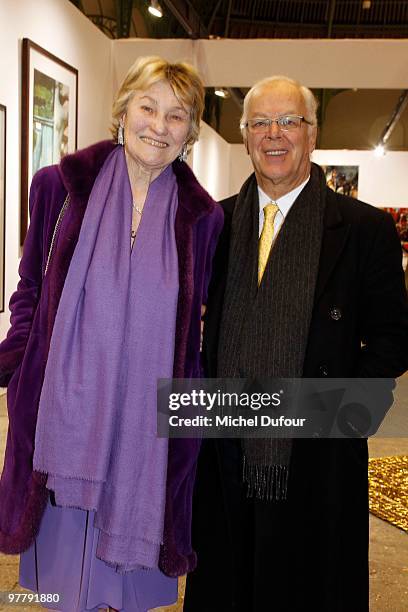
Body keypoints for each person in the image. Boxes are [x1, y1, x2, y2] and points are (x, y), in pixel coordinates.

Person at [0, 56, 223, 611]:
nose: (158, 125)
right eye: (147, 107)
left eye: (177, 116)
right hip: (63, 417)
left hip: (145, 432)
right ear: (122, 111)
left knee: (123, 593)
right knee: (58, 585)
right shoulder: (59, 187)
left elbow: (195, 331)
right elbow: (29, 290)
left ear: (190, 131)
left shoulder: (204, 218)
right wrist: (13, 368)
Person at [184, 75, 408, 611]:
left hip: (317, 460)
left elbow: (392, 342)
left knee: (311, 590)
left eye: (290, 121)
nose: (274, 134)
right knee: (227, 588)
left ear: (312, 134)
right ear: (244, 135)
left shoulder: (362, 228)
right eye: (260, 122)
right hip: (224, 452)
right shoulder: (215, 221)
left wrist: (334, 414)